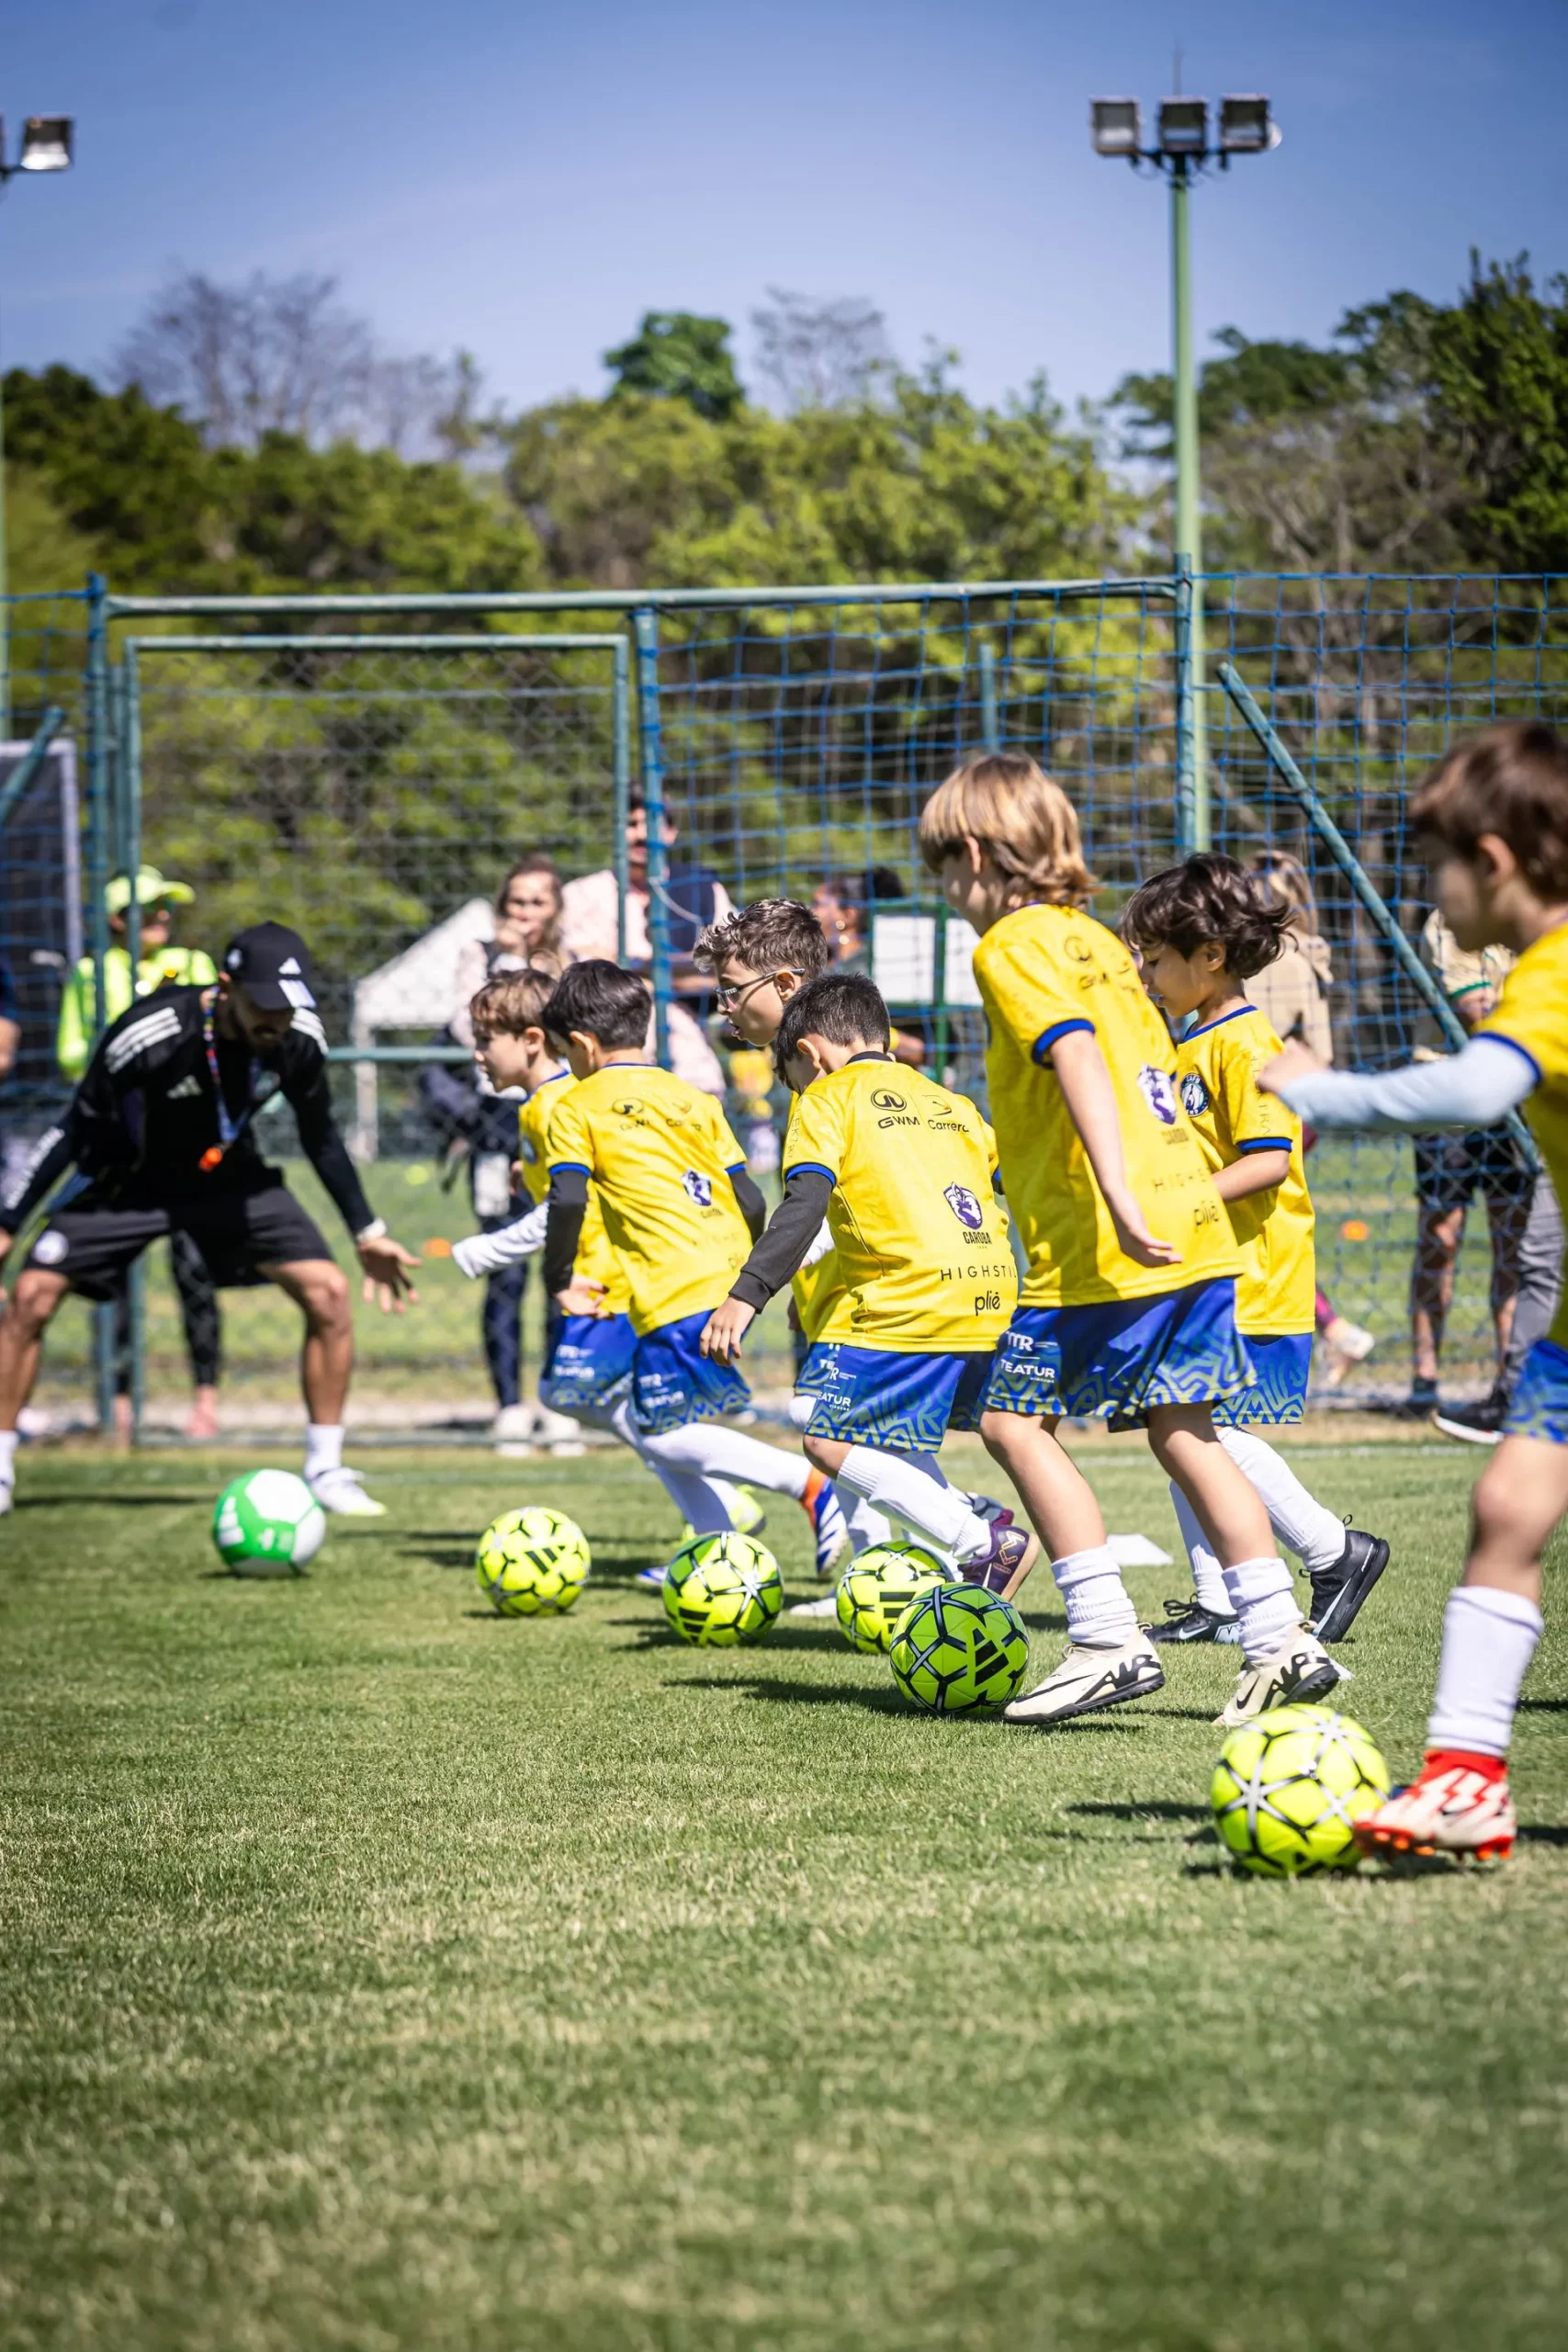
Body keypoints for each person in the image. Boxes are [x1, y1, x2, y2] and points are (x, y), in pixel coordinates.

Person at [918, 751, 1339, 1728]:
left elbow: (1072, 1052)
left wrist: (1111, 1187)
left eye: (942, 871)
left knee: (1011, 1424)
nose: (947, 893)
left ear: (975, 854)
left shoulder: (1012, 943)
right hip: (1191, 1228)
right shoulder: (1102, 946)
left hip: (1101, 1242)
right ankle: (1279, 1637)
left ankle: (1106, 1639)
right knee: (1184, 1429)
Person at [1261, 718, 1568, 1859]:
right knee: (1509, 1508)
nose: (1430, 894)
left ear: (1494, 861)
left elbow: (1474, 1091)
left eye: (1438, 866)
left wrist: (1319, 1089)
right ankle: (1465, 1780)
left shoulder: (1556, 972)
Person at [0, 922, 420, 1520]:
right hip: (131, 1180)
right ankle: (1, 1468)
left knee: (328, 1292)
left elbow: (321, 1136)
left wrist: (366, 1230)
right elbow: (74, 1127)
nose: (276, 1020)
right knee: (31, 1296)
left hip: (227, 1176)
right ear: (226, 988)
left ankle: (326, 1470)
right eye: (264, 1004)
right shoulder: (149, 1032)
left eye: (288, 1005)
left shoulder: (298, 1037)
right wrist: (8, 1221)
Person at [1122, 854, 1388, 1645]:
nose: (1144, 974)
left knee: (1200, 1428)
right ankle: (1219, 1597)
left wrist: (1173, 1202)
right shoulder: (1189, 1040)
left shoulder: (1244, 1044)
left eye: (1154, 959)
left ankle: (1334, 1551)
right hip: (1204, 1268)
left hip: (1252, 1272)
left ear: (1210, 956)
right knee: (1173, 1415)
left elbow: (1270, 1159)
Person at [699, 968, 1035, 1592]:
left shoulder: (825, 1099)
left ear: (808, 1054)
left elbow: (804, 1203)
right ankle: (974, 1525)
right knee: (880, 1431)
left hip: (909, 1300)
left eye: (791, 1078)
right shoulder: (948, 1101)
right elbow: (1004, 1181)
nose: (795, 1090)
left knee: (826, 1439)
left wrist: (746, 1296)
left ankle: (979, 1538)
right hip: (989, 1293)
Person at [538, 959, 848, 1576]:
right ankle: (716, 1552)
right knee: (660, 1417)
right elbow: (749, 1197)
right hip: (724, 1273)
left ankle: (807, 1484)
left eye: (563, 1053)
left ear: (581, 1044)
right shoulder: (693, 1098)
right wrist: (748, 1275)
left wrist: (557, 1278)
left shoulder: (574, 1106)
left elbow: (567, 1197)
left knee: (659, 1432)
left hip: (671, 1284)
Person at [449, 967, 762, 1538]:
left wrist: (491, 1254)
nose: (476, 1053)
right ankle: (718, 1521)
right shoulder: (573, 1101)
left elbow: (571, 1203)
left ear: (546, 1041)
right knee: (619, 1408)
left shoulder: (565, 1103)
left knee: (617, 1410)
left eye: (485, 1039)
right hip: (667, 1276)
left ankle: (778, 1489)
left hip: (615, 1283)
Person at [59, 865, 224, 1441]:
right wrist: (131, 1040)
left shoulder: (195, 965)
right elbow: (71, 1053)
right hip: (124, 1146)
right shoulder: (92, 972)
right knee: (117, 1278)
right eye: (147, 909)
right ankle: (121, 1401)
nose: (160, 917)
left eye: (165, 908)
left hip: (191, 1144)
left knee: (195, 1273)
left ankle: (205, 1400)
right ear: (115, 919)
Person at [441, 854, 573, 1444]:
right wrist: (507, 962)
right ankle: (509, 1404)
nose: (525, 912)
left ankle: (558, 1399)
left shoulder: (570, 960)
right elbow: (463, 1025)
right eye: (516, 901)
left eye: (537, 901)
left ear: (556, 909)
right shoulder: (479, 956)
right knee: (506, 1274)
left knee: (562, 1263)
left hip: (558, 1116)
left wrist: (539, 964)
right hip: (497, 1122)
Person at [1244, 849, 1375, 1386]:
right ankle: (1335, 1330)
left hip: (1268, 1111)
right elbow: (1323, 1051)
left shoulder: (1270, 963)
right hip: (1298, 1111)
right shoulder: (1311, 957)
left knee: (1253, 1234)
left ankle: (1326, 1330)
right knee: (1268, 1232)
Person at [1402, 909, 1534, 1428]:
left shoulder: (1535, 917)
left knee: (1515, 1242)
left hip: (1515, 1094)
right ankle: (1424, 1380)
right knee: (1442, 1235)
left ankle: (1509, 1382)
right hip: (1448, 1092)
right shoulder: (1453, 919)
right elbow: (1477, 1010)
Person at [558, 796, 728, 1094]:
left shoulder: (702, 891)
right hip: (607, 1061)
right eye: (631, 824)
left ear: (671, 833)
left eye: (651, 823)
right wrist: (681, 970)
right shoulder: (581, 895)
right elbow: (581, 982)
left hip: (691, 1062)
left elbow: (726, 973)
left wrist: (629, 965)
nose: (641, 834)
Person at [811, 870, 925, 1066]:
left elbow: (923, 1048)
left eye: (817, 904)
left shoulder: (876, 969)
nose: (809, 911)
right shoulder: (817, 966)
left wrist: (881, 1036)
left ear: (848, 915)